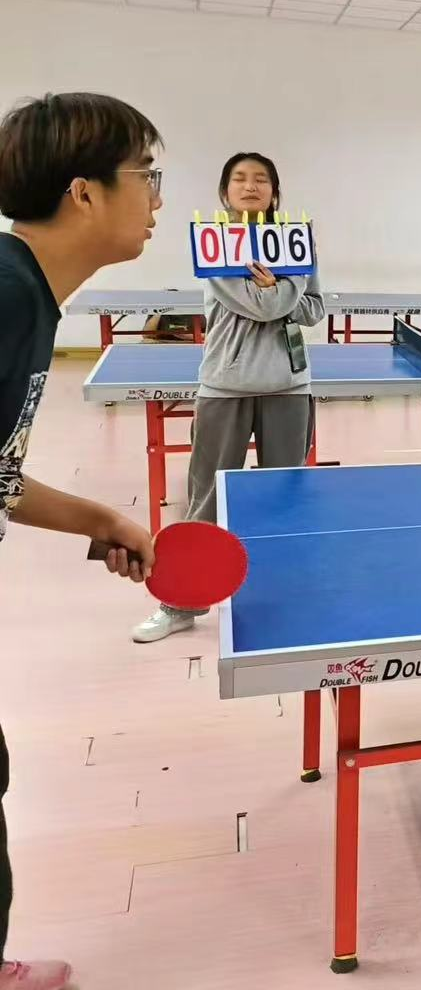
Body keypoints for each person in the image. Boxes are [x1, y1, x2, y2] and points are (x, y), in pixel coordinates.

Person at [0, 92, 162, 990]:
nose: (156, 197)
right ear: (86, 193)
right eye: (145, 175)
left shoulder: (27, 294)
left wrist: (101, 520)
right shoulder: (5, 295)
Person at [132, 153, 324, 644]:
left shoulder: (297, 240)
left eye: (261, 179)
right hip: (225, 386)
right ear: (225, 192)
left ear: (274, 191)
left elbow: (315, 309)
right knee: (207, 499)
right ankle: (181, 603)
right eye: (240, 178)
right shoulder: (215, 241)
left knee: (285, 498)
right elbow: (261, 306)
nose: (251, 186)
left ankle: (283, 597)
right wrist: (284, 289)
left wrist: (280, 291)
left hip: (289, 387)